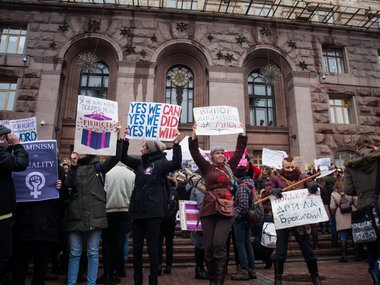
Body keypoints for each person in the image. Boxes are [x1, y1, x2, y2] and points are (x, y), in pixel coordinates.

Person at [64, 123, 124, 285]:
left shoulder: (98, 167)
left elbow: (116, 157)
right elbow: (69, 184)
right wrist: (73, 166)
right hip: (75, 215)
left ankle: (91, 283)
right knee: (75, 252)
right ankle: (71, 282)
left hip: (94, 215)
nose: (78, 151)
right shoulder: (73, 168)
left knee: (92, 252)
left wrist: (118, 138)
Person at [188, 124, 247, 285]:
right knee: (208, 247)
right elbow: (195, 153)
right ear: (212, 156)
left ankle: (219, 281)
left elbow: (240, 150)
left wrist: (242, 133)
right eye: (218, 153)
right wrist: (194, 134)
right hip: (208, 208)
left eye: (222, 153)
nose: (221, 155)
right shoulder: (207, 168)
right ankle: (212, 280)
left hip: (226, 208)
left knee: (219, 244)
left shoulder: (229, 168)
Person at [121, 129, 182, 285]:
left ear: (149, 148)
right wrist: (125, 139)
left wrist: (175, 144)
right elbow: (122, 157)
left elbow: (176, 163)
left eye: (143, 145)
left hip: (153, 213)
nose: (141, 148)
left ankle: (153, 280)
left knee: (153, 248)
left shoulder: (161, 163)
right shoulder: (139, 163)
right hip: (137, 212)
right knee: (137, 249)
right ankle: (137, 280)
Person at [262, 156, 322, 285]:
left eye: (292, 167)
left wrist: (313, 186)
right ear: (283, 167)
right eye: (287, 167)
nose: (290, 169)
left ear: (296, 167)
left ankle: (315, 277)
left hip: (301, 220)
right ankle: (278, 279)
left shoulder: (302, 177)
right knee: (280, 251)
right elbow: (267, 189)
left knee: (308, 250)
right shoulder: (276, 178)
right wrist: (272, 190)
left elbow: (311, 183)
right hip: (283, 219)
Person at [12, 177, 64, 285]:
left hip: (43, 227)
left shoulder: (55, 171)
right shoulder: (18, 169)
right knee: (20, 269)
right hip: (26, 226)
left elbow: (63, 202)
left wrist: (60, 189)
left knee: (39, 270)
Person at [344, 135, 380, 284]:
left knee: (371, 246)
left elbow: (348, 189)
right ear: (372, 145)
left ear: (357, 147)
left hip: (364, 208)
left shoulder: (351, 165)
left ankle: (375, 273)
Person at [97, 161, 136, 284]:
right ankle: (117, 271)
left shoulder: (107, 173)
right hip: (125, 211)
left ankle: (108, 273)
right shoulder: (131, 174)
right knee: (120, 242)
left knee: (107, 243)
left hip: (109, 210)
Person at [0, 125, 28, 283]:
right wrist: (17, 145)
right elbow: (20, 163)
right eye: (5, 139)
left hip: (4, 215)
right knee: (4, 254)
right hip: (2, 216)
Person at [230, 165, 257, 281]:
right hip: (249, 219)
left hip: (241, 219)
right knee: (247, 244)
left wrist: (235, 217)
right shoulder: (251, 184)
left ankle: (244, 270)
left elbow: (243, 206)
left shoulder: (242, 187)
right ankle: (251, 269)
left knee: (240, 244)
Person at [330, 177, 357, 263]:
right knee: (355, 235)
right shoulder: (351, 192)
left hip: (341, 215)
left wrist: (334, 212)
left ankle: (344, 256)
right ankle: (357, 255)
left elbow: (332, 207)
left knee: (343, 235)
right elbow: (356, 201)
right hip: (352, 214)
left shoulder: (334, 194)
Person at [158, 173, 179, 275]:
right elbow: (178, 207)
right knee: (169, 244)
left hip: (159, 220)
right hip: (170, 221)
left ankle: (158, 265)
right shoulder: (175, 192)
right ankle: (168, 266)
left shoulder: (158, 191)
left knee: (158, 243)